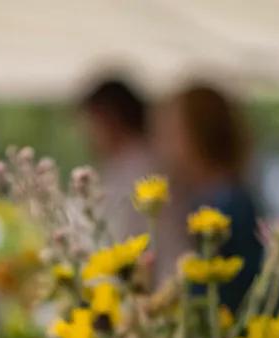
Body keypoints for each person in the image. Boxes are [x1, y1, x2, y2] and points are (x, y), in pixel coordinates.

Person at [156, 84, 262, 308]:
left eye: (172, 131)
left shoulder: (229, 204)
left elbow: (223, 292)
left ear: (198, 134)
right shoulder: (204, 197)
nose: (163, 144)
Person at [78, 78, 156, 240]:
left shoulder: (142, 166)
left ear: (110, 119)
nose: (86, 135)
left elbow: (124, 232)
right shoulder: (123, 163)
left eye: (91, 123)